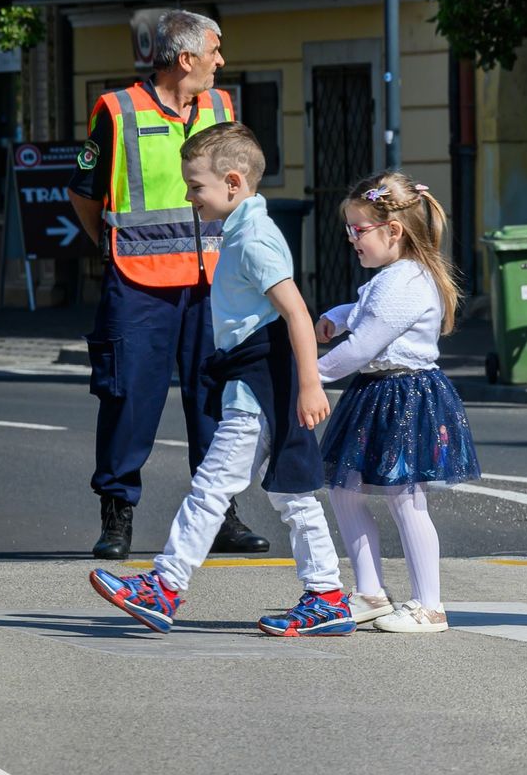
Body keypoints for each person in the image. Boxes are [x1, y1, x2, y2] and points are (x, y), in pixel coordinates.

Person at [89, 123, 348, 636]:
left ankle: (164, 587)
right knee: (290, 494)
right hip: (260, 377)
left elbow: (296, 312)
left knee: (213, 486)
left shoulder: (253, 240)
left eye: (196, 186)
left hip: (262, 382)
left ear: (233, 183)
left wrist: (311, 385)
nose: (189, 195)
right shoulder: (241, 230)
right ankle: (328, 597)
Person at [69, 9, 268, 560]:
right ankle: (116, 518)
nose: (221, 62)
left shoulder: (222, 107)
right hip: (139, 285)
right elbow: (84, 191)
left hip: (215, 283)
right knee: (128, 400)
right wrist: (109, 248)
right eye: (214, 51)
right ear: (185, 59)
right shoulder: (117, 110)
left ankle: (222, 514)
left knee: (218, 401)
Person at [315, 172, 481, 635]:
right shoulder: (392, 277)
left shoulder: (405, 281)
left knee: (405, 500)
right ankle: (369, 592)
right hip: (378, 392)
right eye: (349, 230)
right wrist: (336, 315)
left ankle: (430, 606)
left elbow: (364, 344)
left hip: (405, 394)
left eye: (359, 230)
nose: (352, 239)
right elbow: (366, 312)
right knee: (345, 491)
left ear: (393, 231)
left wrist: (308, 376)